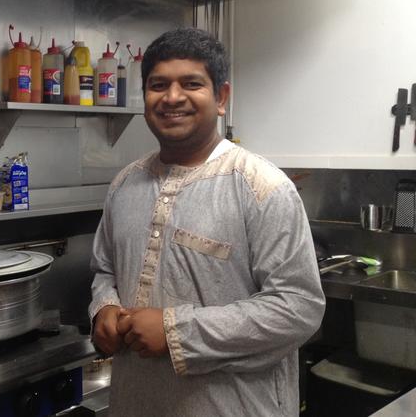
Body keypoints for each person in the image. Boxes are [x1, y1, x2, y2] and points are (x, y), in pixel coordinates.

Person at [88, 27, 325, 417]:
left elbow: (298, 308)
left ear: (221, 98)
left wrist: (176, 332)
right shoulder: (125, 184)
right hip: (136, 402)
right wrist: (105, 309)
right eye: (158, 84)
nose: (172, 97)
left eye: (191, 84)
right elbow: (104, 269)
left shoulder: (261, 187)